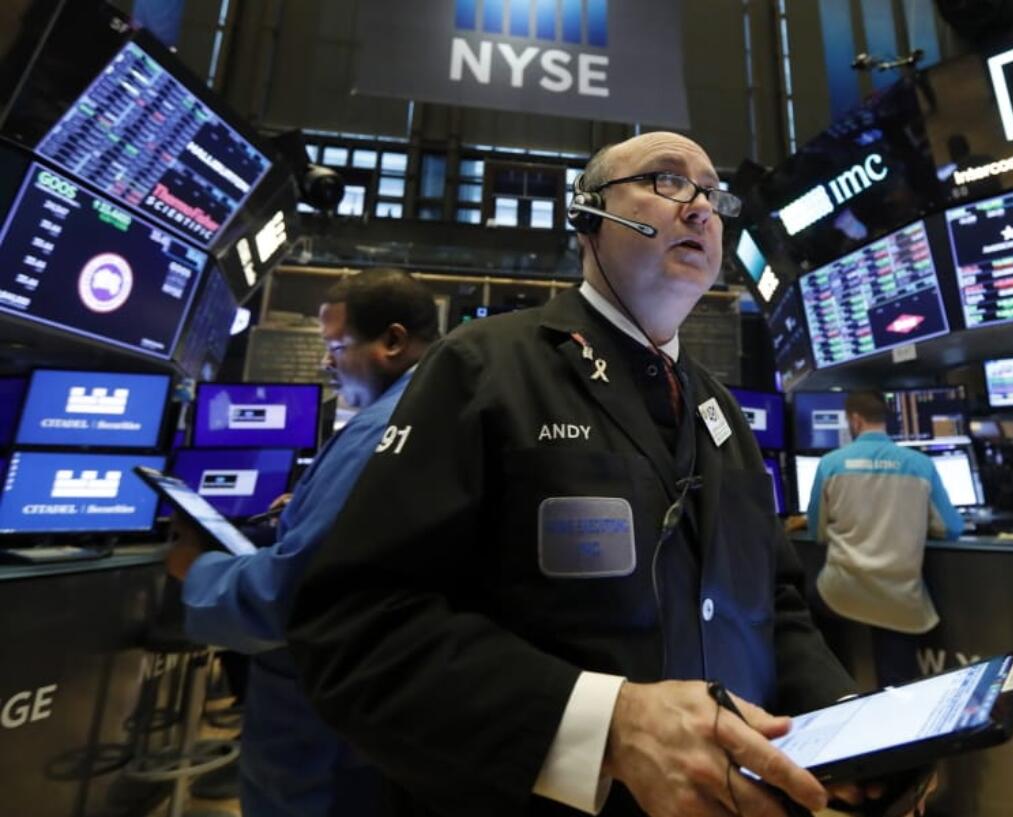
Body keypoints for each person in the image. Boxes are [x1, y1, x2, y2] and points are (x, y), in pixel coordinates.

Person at [288, 133, 929, 817]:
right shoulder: (482, 366)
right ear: (588, 217)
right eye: (667, 180)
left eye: (713, 193)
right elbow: (355, 627)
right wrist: (606, 725)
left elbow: (777, 609)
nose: (700, 209)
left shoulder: (724, 415)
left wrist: (845, 727)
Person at [164, 267, 439, 817]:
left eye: (337, 346)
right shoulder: (436, 404)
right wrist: (310, 507)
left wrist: (196, 568)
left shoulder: (380, 430)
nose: (327, 363)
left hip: (321, 731)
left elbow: (291, 596)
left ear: (392, 341)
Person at [806, 390, 965, 687]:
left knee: (812, 609)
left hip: (842, 591)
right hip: (898, 598)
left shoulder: (830, 463)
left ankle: (837, 689)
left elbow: (817, 531)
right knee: (898, 685)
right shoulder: (921, 465)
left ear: (854, 420)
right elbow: (951, 528)